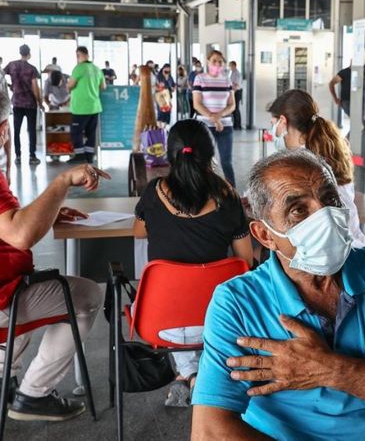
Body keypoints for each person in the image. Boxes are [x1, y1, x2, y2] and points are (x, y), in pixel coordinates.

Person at [190, 149, 365, 440]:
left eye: (330, 199)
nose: (325, 216)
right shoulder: (237, 303)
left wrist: (329, 369)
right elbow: (209, 432)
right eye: (298, 209)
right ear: (265, 235)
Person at [0, 90, 111, 422]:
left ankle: (7, 377)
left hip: (9, 285)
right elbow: (19, 233)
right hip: (5, 297)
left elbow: (8, 224)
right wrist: (63, 181)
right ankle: (33, 395)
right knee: (86, 294)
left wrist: (47, 212)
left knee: (37, 291)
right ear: (4, 127)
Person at [133, 119, 252, 408]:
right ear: (209, 155)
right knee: (212, 293)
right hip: (220, 321)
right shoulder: (227, 198)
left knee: (169, 288)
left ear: (170, 155)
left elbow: (138, 232)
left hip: (159, 323)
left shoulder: (154, 192)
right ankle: (199, 375)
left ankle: (188, 374)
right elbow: (245, 261)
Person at [267, 89, 365, 247]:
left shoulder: (299, 165)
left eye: (273, 125)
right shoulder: (329, 151)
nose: (272, 131)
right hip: (356, 247)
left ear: (283, 121)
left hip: (327, 254)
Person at [192, 50, 236, 187]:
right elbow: (197, 104)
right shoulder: (200, 79)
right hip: (205, 126)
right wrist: (214, 118)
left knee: (226, 162)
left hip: (226, 126)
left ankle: (232, 193)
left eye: (220, 62)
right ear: (208, 61)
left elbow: (232, 104)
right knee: (204, 161)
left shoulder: (227, 80)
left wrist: (220, 116)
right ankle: (203, 191)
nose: (217, 64)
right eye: (214, 61)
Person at [3, 44, 44, 165]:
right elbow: (35, 87)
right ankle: (32, 156)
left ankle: (18, 156)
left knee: (16, 130)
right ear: (29, 53)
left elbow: (1, 74)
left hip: (17, 103)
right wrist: (40, 102)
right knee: (32, 130)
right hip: (30, 104)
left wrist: (10, 86)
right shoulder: (32, 69)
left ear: (20, 52)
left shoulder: (12, 65)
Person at [67, 46, 105, 164]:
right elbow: (103, 87)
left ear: (78, 55)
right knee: (91, 133)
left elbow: (70, 85)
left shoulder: (78, 69)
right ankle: (89, 156)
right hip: (94, 106)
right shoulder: (97, 69)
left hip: (80, 108)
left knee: (76, 132)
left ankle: (80, 155)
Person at [228, 61, 243, 130]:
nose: (229, 67)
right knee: (233, 109)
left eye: (230, 66)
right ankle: (235, 124)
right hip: (233, 92)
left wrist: (232, 92)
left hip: (237, 92)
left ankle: (238, 125)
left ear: (234, 65)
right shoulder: (232, 73)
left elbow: (236, 84)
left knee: (236, 108)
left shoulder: (237, 74)